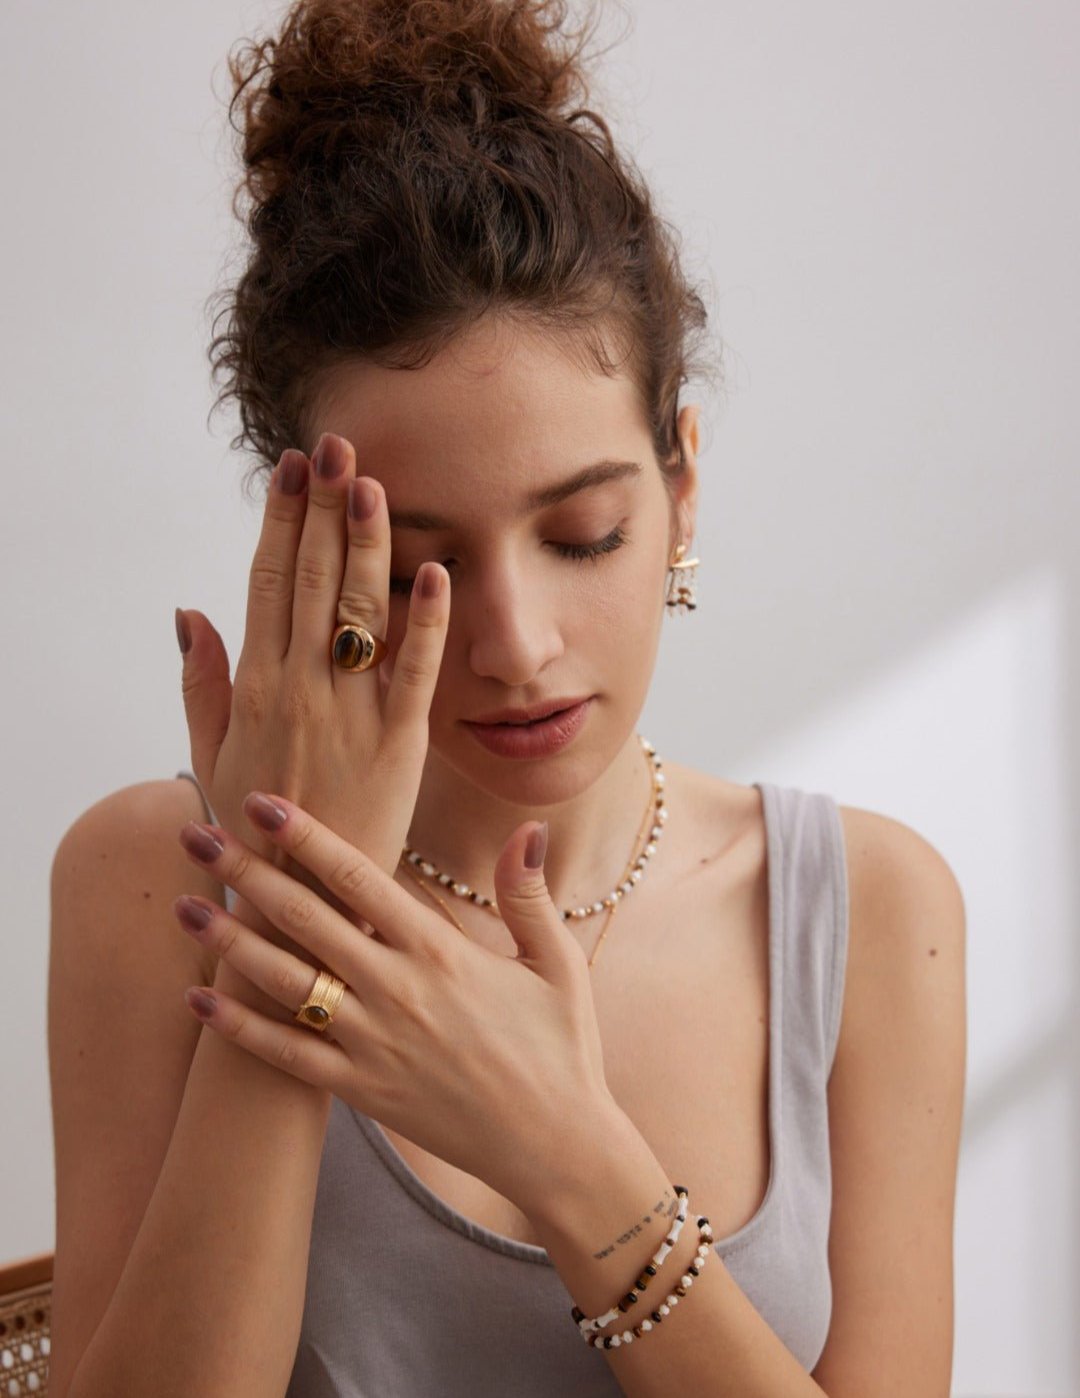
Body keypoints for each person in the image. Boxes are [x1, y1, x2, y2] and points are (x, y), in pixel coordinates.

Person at [46, 1, 967, 1394]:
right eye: (421, 565)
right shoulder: (155, 881)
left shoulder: (870, 910)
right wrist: (304, 925)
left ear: (682, 485)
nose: (516, 642)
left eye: (584, 533)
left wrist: (559, 1146)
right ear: (308, 555)